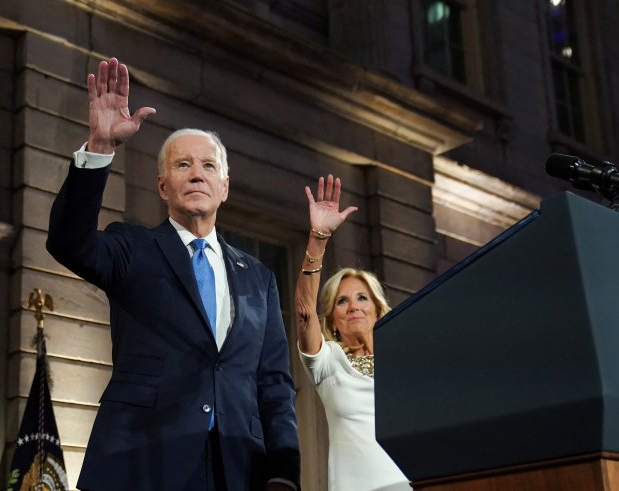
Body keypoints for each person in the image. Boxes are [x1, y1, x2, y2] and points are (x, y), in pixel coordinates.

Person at [46, 57, 299, 491]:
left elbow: (274, 384)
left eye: (208, 166)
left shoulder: (258, 278)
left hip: (237, 468)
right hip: (142, 462)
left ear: (224, 187)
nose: (197, 174)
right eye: (183, 165)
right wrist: (101, 146)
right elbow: (69, 242)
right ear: (163, 186)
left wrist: (284, 471)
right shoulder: (133, 247)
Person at [294, 176, 411, 491]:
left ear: (377, 309)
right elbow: (305, 312)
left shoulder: (405, 365)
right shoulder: (328, 362)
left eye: (362, 298)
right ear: (332, 320)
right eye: (341, 301)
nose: (353, 307)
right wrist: (318, 238)